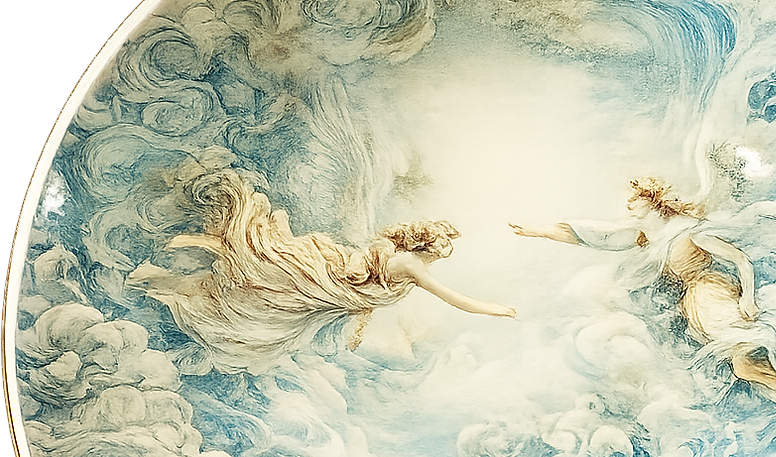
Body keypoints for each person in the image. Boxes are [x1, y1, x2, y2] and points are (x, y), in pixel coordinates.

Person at [510, 176, 776, 427]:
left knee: (746, 360)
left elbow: (741, 260)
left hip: (714, 295)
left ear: (652, 202)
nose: (628, 205)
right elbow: (600, 236)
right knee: (744, 366)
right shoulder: (647, 238)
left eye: (635, 199)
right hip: (698, 307)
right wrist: (541, 231)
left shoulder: (688, 232)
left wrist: (748, 297)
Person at [127, 165, 515, 373]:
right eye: (443, 243)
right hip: (323, 279)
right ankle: (177, 268)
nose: (446, 249)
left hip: (329, 287)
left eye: (445, 243)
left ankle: (168, 279)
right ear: (428, 245)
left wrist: (361, 316)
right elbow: (453, 298)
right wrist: (494, 308)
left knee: (258, 293)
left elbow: (369, 290)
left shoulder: (403, 259)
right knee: (258, 281)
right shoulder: (413, 267)